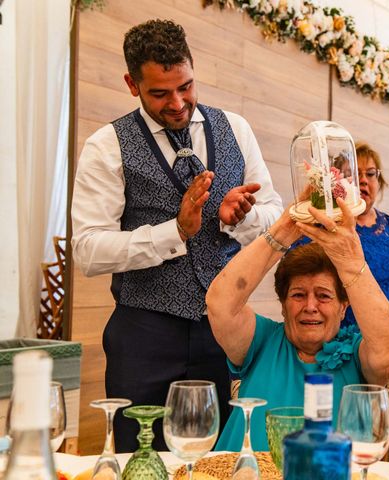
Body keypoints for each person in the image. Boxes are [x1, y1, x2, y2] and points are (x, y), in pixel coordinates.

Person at [71, 19, 283, 452]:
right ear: (132, 84)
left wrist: (236, 219)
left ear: (193, 69)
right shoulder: (106, 145)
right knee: (138, 457)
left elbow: (274, 213)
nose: (178, 102)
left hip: (221, 329)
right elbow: (88, 249)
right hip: (143, 334)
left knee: (215, 460)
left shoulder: (236, 129)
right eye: (160, 93)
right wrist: (176, 231)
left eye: (186, 86)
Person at [207, 199, 389, 451]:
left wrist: (350, 262)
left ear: (343, 306)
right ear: (283, 304)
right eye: (298, 295)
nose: (310, 306)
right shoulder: (261, 341)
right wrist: (284, 229)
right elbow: (219, 304)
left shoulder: (358, 354)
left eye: (323, 296)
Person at [294, 142, 389, 329]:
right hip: (344, 338)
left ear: (379, 180)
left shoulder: (388, 224)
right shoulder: (326, 223)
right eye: (355, 174)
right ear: (338, 182)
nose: (364, 180)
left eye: (370, 173)